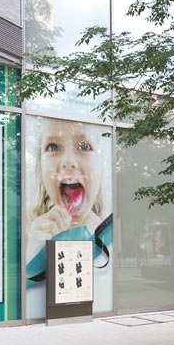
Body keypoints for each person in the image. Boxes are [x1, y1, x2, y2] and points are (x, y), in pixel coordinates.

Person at [26, 117, 112, 287]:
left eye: (84, 147)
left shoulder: (107, 237)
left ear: (100, 165)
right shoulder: (25, 229)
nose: (68, 162)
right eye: (53, 147)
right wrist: (34, 252)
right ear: (40, 166)